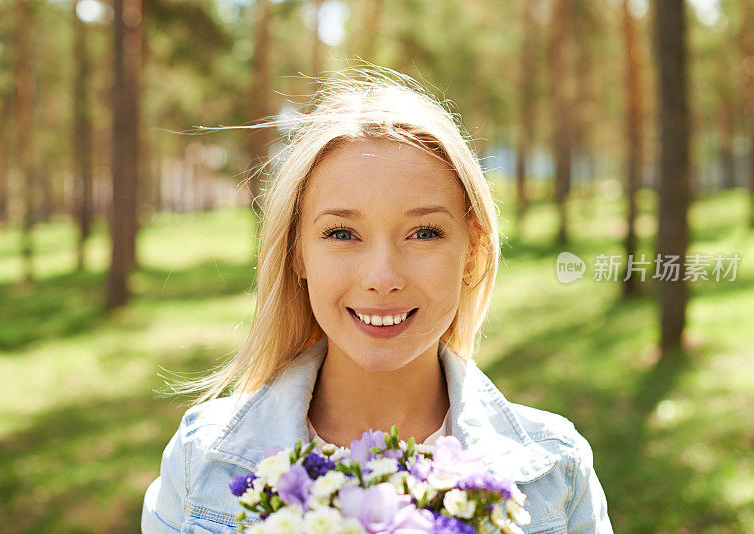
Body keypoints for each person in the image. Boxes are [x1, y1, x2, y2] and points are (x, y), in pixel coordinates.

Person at [142, 70, 612, 533]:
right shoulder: (199, 463)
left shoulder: (557, 473)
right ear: (297, 253)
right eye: (342, 233)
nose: (382, 278)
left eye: (424, 232)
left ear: (472, 251)